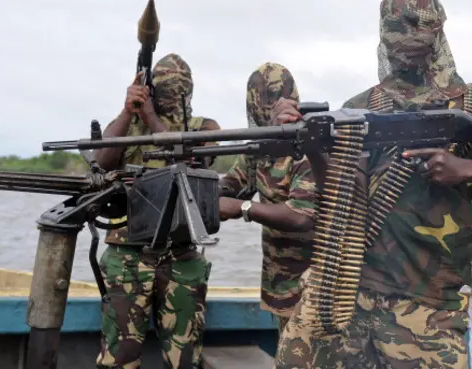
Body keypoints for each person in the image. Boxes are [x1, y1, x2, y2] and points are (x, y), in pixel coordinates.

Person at [270, 0, 472, 369]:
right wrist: (312, 148)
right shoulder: (361, 107)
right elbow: (343, 199)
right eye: (400, 34)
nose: (410, 44)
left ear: (438, 33)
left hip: (428, 311)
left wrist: (465, 169)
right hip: (346, 297)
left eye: (420, 32)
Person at [93, 53, 221, 369]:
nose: (171, 95)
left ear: (189, 92)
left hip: (181, 254)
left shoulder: (204, 128)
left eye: (178, 89)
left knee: (184, 358)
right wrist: (128, 112)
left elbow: (189, 163)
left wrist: (150, 118)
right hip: (127, 255)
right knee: (118, 359)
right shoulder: (125, 125)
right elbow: (101, 162)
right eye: (163, 89)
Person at [217, 62, 318, 335]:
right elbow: (231, 186)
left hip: (316, 288)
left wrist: (243, 208)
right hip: (279, 285)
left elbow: (301, 216)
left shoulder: (311, 148)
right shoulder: (259, 149)